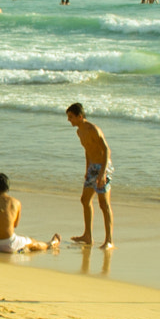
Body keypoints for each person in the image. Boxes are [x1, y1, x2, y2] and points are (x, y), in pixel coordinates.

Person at [67, 103, 114, 248]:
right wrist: (87, 170)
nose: (69, 120)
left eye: (71, 117)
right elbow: (88, 150)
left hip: (103, 167)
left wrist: (103, 173)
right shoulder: (79, 132)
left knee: (103, 204)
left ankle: (109, 241)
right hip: (92, 168)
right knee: (84, 200)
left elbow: (106, 150)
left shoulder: (93, 129)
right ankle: (88, 236)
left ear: (80, 117)